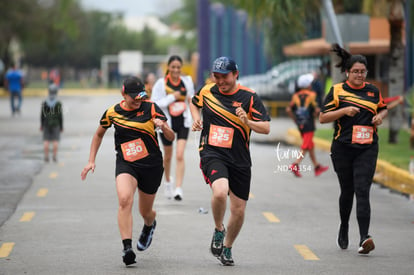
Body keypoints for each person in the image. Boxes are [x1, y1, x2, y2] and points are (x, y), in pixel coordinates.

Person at [80, 76, 174, 266]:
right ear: (123, 94)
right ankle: (127, 248)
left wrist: (163, 127)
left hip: (151, 165)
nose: (138, 101)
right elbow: (99, 133)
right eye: (134, 98)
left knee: (145, 211)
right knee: (124, 199)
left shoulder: (151, 108)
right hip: (126, 163)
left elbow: (171, 137)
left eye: (141, 97)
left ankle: (150, 224)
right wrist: (91, 160)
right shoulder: (112, 112)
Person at [190, 56, 270, 266]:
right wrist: (196, 118)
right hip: (212, 152)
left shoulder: (250, 97)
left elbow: (266, 128)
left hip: (240, 159)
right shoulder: (207, 90)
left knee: (239, 210)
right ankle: (218, 229)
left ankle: (228, 247)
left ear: (236, 74)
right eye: (217, 77)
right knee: (219, 191)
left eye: (224, 76)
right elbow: (193, 102)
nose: (221, 81)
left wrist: (247, 121)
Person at [319, 44, 388, 255]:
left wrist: (379, 117)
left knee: (363, 190)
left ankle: (364, 237)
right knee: (347, 191)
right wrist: (344, 110)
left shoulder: (373, 91)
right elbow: (323, 117)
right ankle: (344, 225)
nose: (359, 75)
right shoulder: (338, 90)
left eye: (362, 71)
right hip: (343, 148)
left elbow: (383, 109)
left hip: (367, 147)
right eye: (355, 71)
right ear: (347, 72)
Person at [151, 55, 195, 201]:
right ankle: (168, 182)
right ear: (168, 68)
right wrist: (173, 97)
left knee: (180, 155)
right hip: (166, 124)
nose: (176, 70)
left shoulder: (187, 81)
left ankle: (178, 188)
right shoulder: (160, 84)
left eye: (178, 67)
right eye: (173, 67)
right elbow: (155, 103)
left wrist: (193, 110)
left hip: (183, 121)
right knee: (168, 156)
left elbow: (192, 99)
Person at [286, 73, 329, 177]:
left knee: (310, 145)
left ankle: (317, 166)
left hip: (300, 124)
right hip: (309, 124)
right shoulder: (312, 95)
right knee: (305, 145)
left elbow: (288, 110)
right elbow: (316, 110)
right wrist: (316, 113)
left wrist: (295, 120)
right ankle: (295, 164)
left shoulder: (295, 96)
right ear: (309, 85)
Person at [40, 84, 63, 162]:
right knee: (55, 140)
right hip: (56, 124)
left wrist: (41, 125)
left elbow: (42, 115)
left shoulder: (45, 103)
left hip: (46, 124)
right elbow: (60, 116)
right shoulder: (58, 103)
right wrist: (61, 126)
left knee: (46, 140)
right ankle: (54, 156)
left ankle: (46, 157)